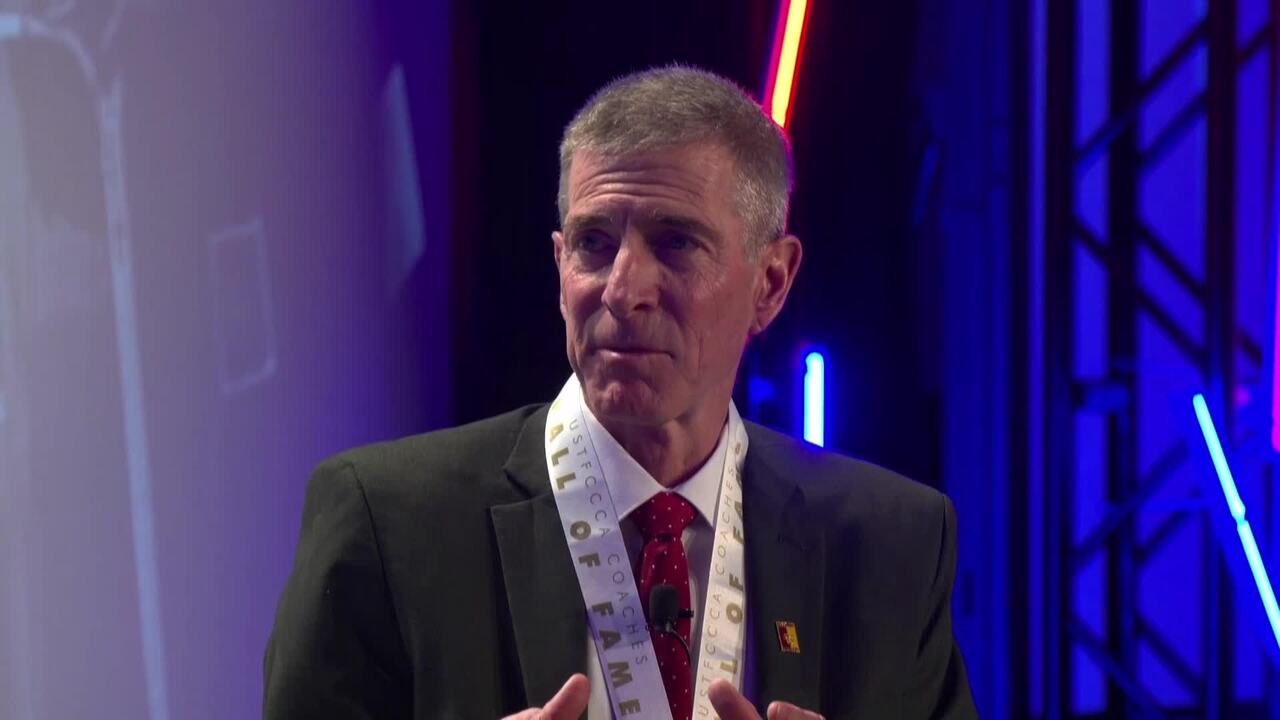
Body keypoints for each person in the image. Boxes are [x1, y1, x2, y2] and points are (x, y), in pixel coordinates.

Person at [263, 65, 977, 720]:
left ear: (770, 283)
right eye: (594, 244)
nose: (623, 290)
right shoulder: (387, 523)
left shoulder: (893, 547)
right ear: (559, 266)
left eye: (676, 243)